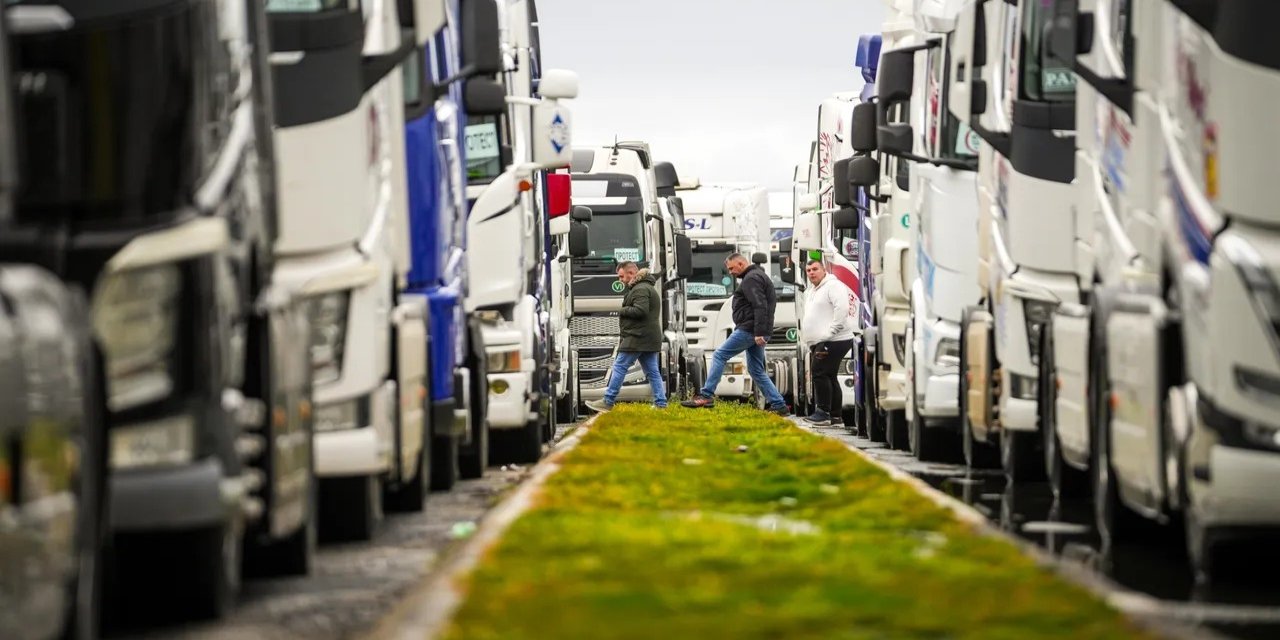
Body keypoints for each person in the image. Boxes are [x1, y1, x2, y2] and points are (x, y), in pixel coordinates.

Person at [682, 253, 789, 415]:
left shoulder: (751, 279)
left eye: (732, 268)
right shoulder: (757, 276)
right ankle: (779, 405)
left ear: (741, 263)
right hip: (755, 330)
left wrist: (760, 332)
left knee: (719, 355)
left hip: (749, 329)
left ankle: (706, 395)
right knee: (756, 370)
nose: (730, 272)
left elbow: (760, 306)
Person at [585, 261, 667, 412]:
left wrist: (622, 310)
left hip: (637, 337)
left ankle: (608, 401)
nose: (620, 280)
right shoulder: (646, 287)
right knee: (652, 372)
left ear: (631, 274)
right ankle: (661, 404)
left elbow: (640, 310)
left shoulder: (640, 289)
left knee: (619, 366)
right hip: (648, 337)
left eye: (621, 276)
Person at [800, 260, 858, 425]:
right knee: (830, 376)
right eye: (808, 270)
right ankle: (835, 416)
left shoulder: (833, 286)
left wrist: (829, 333)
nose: (811, 272)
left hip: (834, 339)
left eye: (815, 269)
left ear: (824, 270)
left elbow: (843, 309)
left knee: (819, 372)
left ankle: (823, 413)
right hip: (822, 340)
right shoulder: (812, 290)